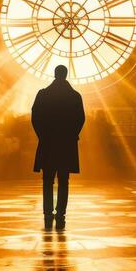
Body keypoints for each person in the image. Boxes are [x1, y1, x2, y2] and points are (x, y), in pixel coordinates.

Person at [31, 65, 85, 230]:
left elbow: (35, 117)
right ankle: (60, 212)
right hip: (66, 144)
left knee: (47, 180)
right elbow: (81, 119)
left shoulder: (43, 94)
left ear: (54, 74)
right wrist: (72, 135)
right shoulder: (75, 96)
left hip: (48, 143)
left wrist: (42, 135)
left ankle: (48, 212)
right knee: (64, 180)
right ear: (66, 75)